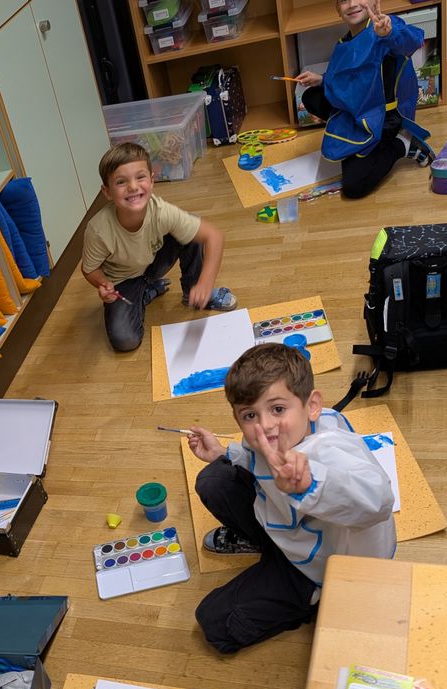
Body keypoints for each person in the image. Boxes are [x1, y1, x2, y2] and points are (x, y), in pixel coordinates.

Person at [186, 344, 396, 653]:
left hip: (319, 567)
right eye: (249, 415)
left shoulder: (329, 449)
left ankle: (310, 604)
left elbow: (377, 500)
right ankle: (265, 547)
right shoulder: (271, 432)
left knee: (215, 623)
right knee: (213, 478)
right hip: (289, 532)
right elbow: (254, 456)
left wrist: (311, 484)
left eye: (278, 409)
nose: (265, 425)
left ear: (312, 406)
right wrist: (223, 453)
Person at [82, 141, 236, 352]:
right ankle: (144, 294)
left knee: (190, 232)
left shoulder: (161, 211)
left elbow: (214, 236)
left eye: (140, 177)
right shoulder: (98, 230)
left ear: (152, 181)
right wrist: (103, 284)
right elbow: (89, 269)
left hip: (153, 264)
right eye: (121, 182)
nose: (133, 187)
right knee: (125, 341)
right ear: (107, 192)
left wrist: (205, 283)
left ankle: (192, 293)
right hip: (123, 281)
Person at [296, 0, 434, 199]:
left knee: (354, 187)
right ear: (337, 10)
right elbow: (347, 79)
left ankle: (402, 144)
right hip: (358, 109)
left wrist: (389, 33)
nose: (351, 4)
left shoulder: (385, 27)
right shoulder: (343, 43)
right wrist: (321, 79)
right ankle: (357, 142)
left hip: (382, 118)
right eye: (344, 1)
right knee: (311, 96)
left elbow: (413, 41)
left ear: (375, 1)